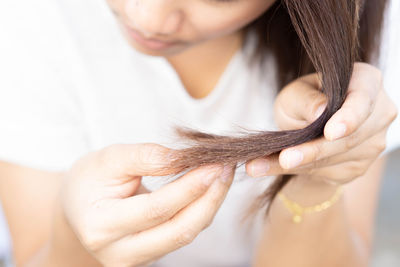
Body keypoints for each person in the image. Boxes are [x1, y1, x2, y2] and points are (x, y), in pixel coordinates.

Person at [0, 0, 398, 266]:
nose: (148, 18)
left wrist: (317, 177)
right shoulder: (31, 17)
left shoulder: (364, 39)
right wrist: (72, 230)